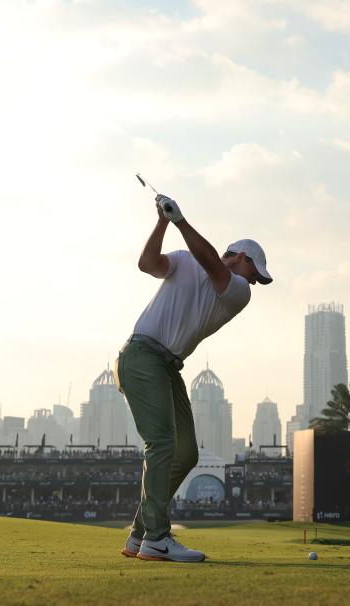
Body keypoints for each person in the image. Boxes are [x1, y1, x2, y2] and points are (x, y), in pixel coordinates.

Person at [116, 193, 272, 562]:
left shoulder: (238, 292)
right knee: (162, 444)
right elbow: (147, 263)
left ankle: (141, 533)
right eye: (255, 272)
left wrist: (182, 221)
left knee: (185, 453)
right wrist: (163, 222)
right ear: (243, 258)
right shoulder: (185, 260)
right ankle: (157, 537)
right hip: (141, 356)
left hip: (167, 366)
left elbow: (212, 265)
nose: (256, 282)